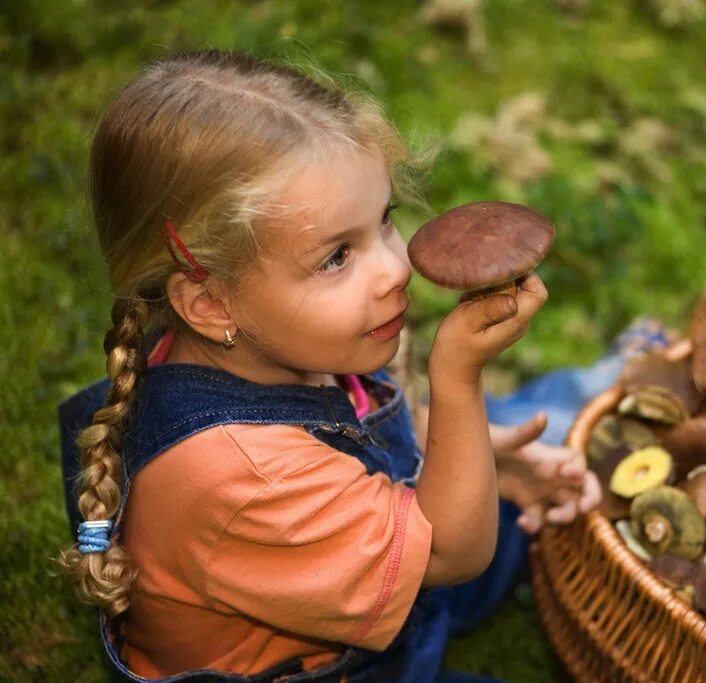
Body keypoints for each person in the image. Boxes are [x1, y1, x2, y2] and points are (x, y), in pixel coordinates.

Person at [55, 49, 614, 683]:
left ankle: (617, 386)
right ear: (210, 303)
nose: (396, 268)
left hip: (372, 545)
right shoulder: (244, 480)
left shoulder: (281, 342)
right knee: (539, 456)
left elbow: (364, 425)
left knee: (561, 447)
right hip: (352, 660)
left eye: (385, 221)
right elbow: (454, 555)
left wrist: (487, 460)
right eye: (335, 258)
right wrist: (458, 381)